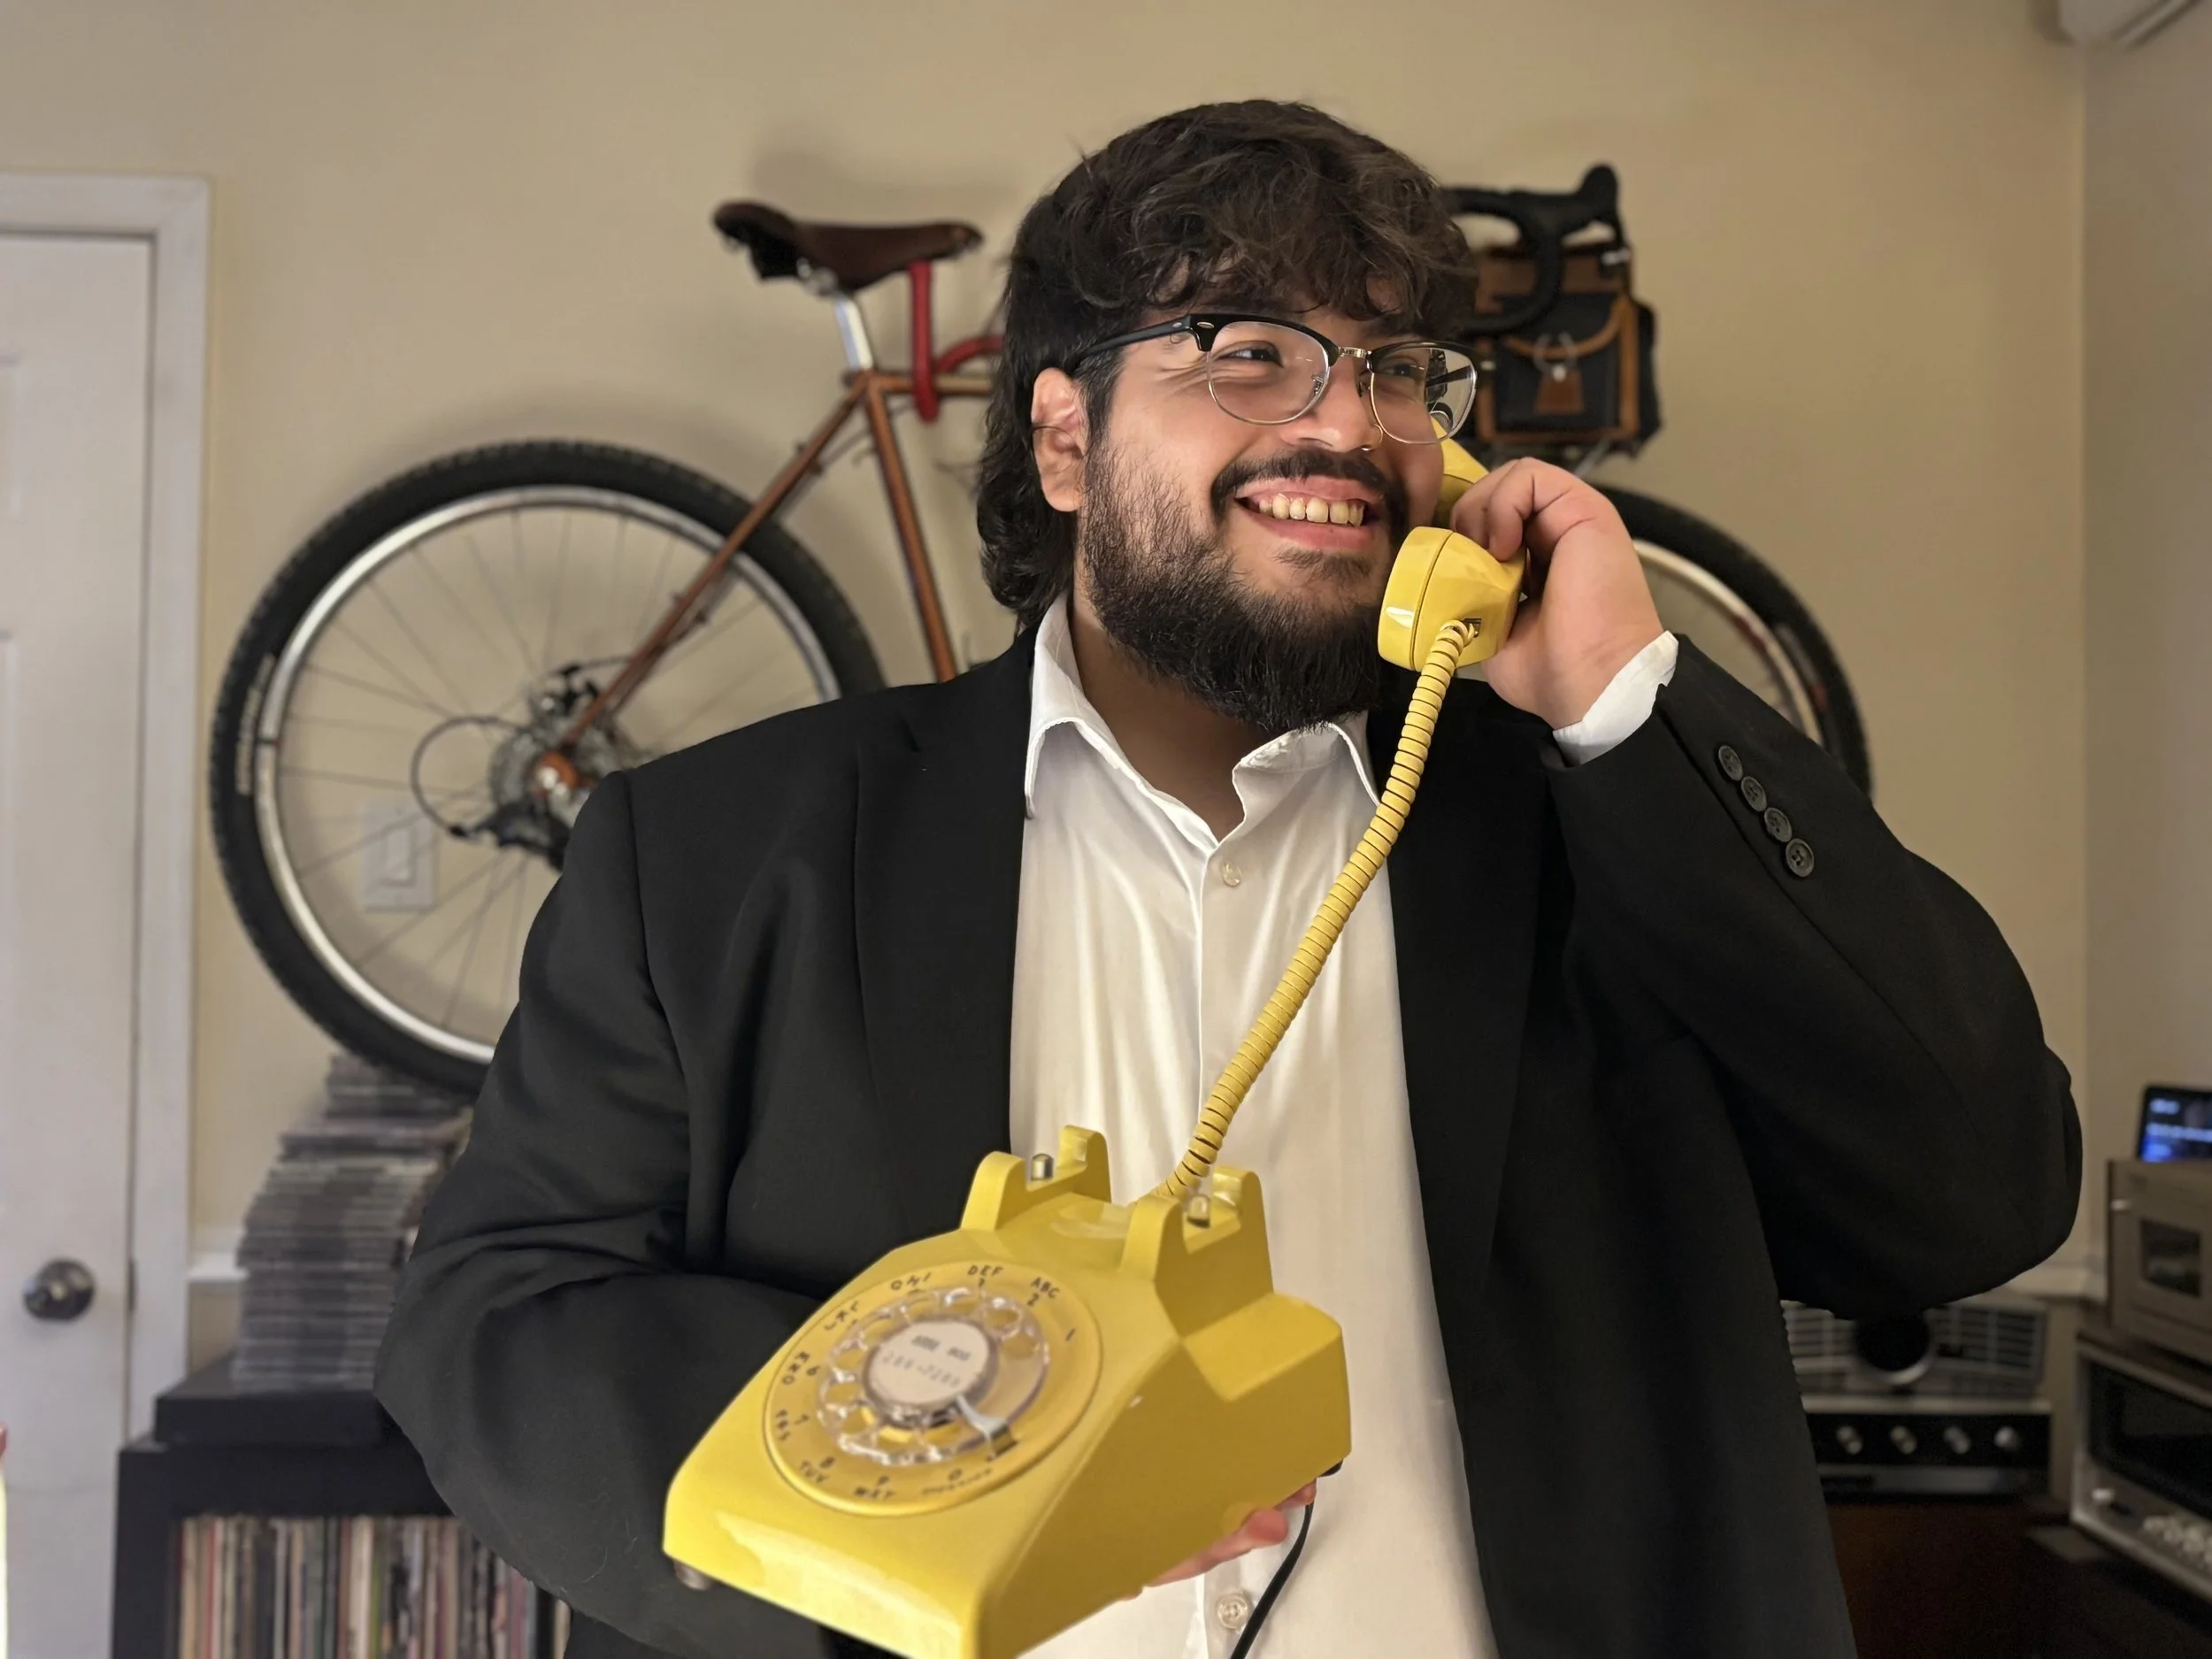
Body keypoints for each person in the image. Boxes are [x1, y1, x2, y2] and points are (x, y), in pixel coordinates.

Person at [376, 101, 2080, 1659]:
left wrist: (1633, 706)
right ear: (1063, 436)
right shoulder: (709, 858)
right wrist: (926, 1476)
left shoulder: (1606, 833)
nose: (1345, 423)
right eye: (1247, 351)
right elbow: (493, 1324)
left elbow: (1974, 1196)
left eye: (1400, 368)